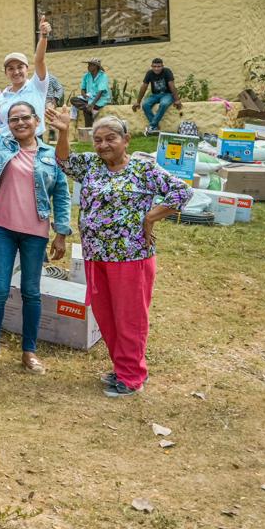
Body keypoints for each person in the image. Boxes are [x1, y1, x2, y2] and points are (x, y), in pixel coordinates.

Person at [48, 108, 189, 397]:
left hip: (131, 257)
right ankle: (122, 367)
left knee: (130, 317)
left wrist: (150, 217)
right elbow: (63, 161)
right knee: (106, 315)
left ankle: (132, 376)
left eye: (110, 138)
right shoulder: (90, 165)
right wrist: (63, 132)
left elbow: (181, 192)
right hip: (96, 255)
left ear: (126, 140)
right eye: (97, 140)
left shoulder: (143, 169)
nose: (103, 145)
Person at [0, 101, 70, 378]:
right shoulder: (2, 146)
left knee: (32, 292)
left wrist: (62, 233)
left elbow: (62, 195)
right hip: (2, 228)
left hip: (35, 231)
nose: (19, 123)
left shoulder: (50, 155)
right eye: (13, 119)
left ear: (36, 120)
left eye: (25, 118)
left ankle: (29, 352)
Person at [0, 18, 52, 137]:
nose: (16, 72)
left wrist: (43, 36)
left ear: (27, 69)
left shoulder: (37, 86)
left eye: (20, 67)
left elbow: (40, 60)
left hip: (34, 143)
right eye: (11, 68)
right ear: (6, 73)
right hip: (7, 146)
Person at [133, 58, 183, 135]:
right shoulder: (149, 73)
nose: (156, 68)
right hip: (155, 95)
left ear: (162, 66)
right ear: (151, 66)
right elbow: (144, 87)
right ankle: (155, 127)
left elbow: (172, 85)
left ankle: (152, 126)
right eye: (154, 66)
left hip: (167, 94)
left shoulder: (167, 71)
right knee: (145, 105)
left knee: (163, 104)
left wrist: (177, 100)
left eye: (159, 66)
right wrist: (138, 102)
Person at [72, 59, 110, 128]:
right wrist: (83, 94)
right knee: (73, 99)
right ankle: (90, 111)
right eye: (88, 65)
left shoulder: (103, 76)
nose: (88, 67)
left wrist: (92, 105)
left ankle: (88, 129)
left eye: (90, 65)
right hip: (89, 98)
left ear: (95, 66)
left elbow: (100, 92)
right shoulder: (86, 76)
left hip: (100, 99)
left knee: (86, 110)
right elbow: (83, 89)